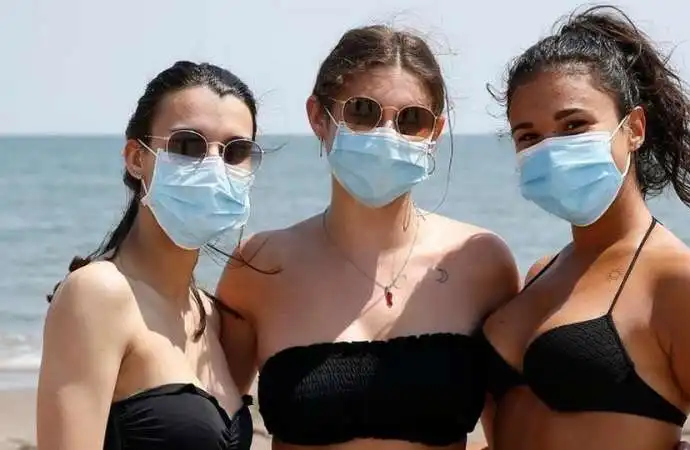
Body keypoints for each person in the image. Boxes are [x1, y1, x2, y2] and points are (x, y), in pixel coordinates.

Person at [480, 5, 690, 450]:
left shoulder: (683, 284)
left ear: (633, 128)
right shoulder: (542, 272)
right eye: (529, 136)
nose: (551, 150)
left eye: (574, 125)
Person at [216, 25, 519, 450]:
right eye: (363, 111)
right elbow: (213, 426)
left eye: (411, 119)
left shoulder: (483, 263)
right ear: (319, 117)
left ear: (434, 132)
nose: (387, 134)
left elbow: (513, 431)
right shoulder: (260, 264)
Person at [36, 61, 264, 450]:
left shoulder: (210, 316)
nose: (213, 165)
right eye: (188, 145)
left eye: (235, 150)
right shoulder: (97, 293)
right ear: (136, 157)